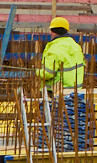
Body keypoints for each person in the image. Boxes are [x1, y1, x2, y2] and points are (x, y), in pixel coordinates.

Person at [35, 16, 90, 150]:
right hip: (75, 91)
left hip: (56, 91)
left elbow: (48, 73)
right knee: (69, 126)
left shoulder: (54, 49)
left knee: (55, 126)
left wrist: (36, 72)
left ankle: (52, 147)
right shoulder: (75, 46)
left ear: (53, 31)